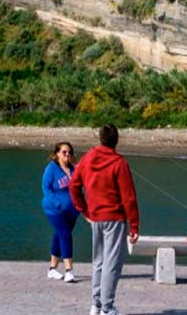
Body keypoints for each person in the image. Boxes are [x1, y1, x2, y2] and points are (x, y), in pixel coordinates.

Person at [69, 124, 139, 315]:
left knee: (98, 261)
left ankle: (96, 305)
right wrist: (134, 226)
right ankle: (107, 308)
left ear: (100, 138)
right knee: (111, 263)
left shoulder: (87, 158)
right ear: (116, 140)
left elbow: (74, 185)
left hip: (96, 217)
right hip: (114, 218)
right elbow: (129, 197)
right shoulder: (119, 163)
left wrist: (84, 210)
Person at [41, 142, 78, 282]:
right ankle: (69, 270)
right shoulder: (51, 168)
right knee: (66, 235)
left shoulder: (73, 169)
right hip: (54, 210)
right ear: (57, 153)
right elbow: (46, 188)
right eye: (64, 152)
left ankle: (52, 269)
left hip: (72, 211)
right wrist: (57, 204)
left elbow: (82, 182)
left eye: (69, 152)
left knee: (59, 235)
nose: (67, 155)